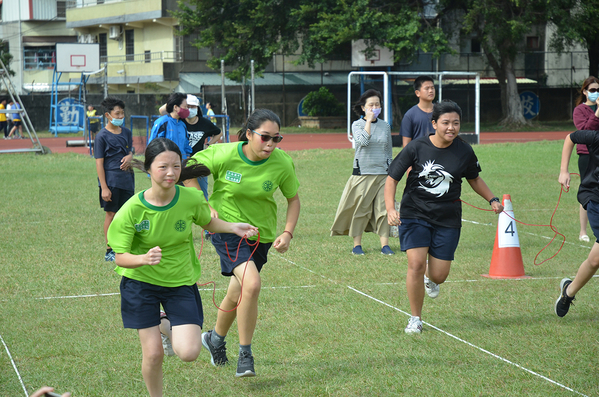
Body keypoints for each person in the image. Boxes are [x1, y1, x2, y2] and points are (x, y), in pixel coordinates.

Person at [108, 137, 258, 397]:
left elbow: (208, 223)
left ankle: (165, 323)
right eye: (163, 167)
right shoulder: (131, 209)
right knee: (153, 354)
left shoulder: (190, 197)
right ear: (148, 168)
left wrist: (234, 227)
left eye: (176, 167)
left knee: (189, 352)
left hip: (180, 282)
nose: (170, 173)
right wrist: (143, 258)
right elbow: (120, 257)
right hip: (141, 284)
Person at [183, 109, 300, 378]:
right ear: (248, 134)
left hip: (262, 236)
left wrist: (288, 232)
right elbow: (187, 171)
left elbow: (293, 200)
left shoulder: (282, 162)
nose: (270, 144)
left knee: (238, 292)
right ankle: (245, 353)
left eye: (276, 139)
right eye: (265, 137)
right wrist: (202, 203)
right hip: (227, 229)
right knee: (253, 284)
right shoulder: (224, 153)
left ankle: (214, 339)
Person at [384, 100, 503, 334]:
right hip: (415, 213)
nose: (451, 128)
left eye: (456, 123)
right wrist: (390, 208)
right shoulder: (417, 147)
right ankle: (415, 319)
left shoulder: (464, 150)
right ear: (434, 123)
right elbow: (392, 178)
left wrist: (493, 199)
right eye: (446, 123)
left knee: (439, 275)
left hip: (447, 218)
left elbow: (474, 178)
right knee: (416, 264)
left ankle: (431, 278)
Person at [331, 89, 395, 256]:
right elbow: (363, 141)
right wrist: (368, 121)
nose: (374, 108)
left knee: (383, 209)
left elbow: (388, 150)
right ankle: (357, 245)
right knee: (362, 209)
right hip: (363, 173)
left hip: (383, 173)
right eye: (371, 105)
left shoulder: (385, 126)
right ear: (363, 107)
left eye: (377, 105)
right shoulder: (357, 125)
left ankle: (385, 245)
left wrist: (391, 169)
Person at [556, 129, 599, 317]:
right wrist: (563, 170)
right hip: (595, 197)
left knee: (595, 259)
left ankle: (569, 291)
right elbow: (571, 137)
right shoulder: (596, 137)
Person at [158, 94, 222, 200]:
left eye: (193, 107)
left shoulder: (204, 123)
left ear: (197, 108)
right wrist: (179, 99)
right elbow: (162, 110)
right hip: (180, 163)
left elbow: (219, 133)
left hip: (198, 162)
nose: (190, 109)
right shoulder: (180, 121)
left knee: (200, 196)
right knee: (179, 195)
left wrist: (208, 144)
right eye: (187, 106)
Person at [94, 97, 134, 262]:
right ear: (108, 115)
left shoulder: (126, 132)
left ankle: (125, 247)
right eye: (117, 113)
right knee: (111, 214)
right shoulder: (101, 136)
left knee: (128, 214)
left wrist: (130, 156)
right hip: (111, 181)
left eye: (122, 113)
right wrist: (104, 187)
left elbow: (130, 152)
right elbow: (99, 163)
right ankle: (110, 249)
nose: (120, 116)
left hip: (127, 180)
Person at [572, 76, 599, 243]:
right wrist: (597, 112)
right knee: (588, 191)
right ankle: (583, 231)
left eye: (598, 90)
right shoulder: (580, 110)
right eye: (593, 90)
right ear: (585, 92)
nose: (596, 93)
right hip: (587, 155)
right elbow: (586, 131)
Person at [149, 93, 192, 159]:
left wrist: (187, 159)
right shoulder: (162, 122)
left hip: (181, 165)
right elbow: (153, 145)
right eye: (185, 106)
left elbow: (186, 145)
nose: (187, 109)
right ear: (175, 107)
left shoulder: (182, 125)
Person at [401, 75, 436, 147]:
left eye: (432, 88)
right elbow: (406, 145)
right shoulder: (410, 115)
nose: (431, 91)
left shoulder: (441, 112)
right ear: (417, 93)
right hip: (418, 156)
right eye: (427, 88)